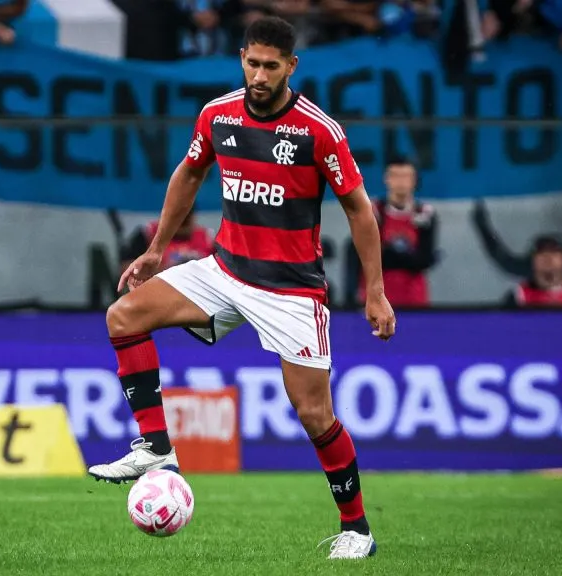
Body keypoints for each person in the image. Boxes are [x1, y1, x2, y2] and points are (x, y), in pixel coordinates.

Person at [87, 16, 394, 560]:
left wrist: (375, 290)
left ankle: (358, 530)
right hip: (225, 272)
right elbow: (189, 173)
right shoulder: (218, 114)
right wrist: (157, 249)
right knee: (123, 316)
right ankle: (156, 447)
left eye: (271, 66)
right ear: (241, 58)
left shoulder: (318, 130)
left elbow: (359, 209)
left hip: (291, 290)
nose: (259, 75)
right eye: (252, 63)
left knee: (314, 414)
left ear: (291, 67)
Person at [346, 156, 437, 307]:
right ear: (386, 179)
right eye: (395, 176)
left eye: (406, 176)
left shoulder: (425, 214)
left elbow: (425, 258)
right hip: (377, 299)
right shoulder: (372, 212)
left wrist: (390, 253)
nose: (401, 182)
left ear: (415, 180)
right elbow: (361, 253)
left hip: (414, 299)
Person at [118, 208, 214, 278]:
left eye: (186, 218)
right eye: (177, 217)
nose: (181, 222)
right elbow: (126, 269)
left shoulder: (207, 238)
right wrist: (163, 271)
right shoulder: (148, 234)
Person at [505, 235, 562, 307]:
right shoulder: (519, 295)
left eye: (554, 252)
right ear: (532, 261)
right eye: (541, 252)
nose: (548, 257)